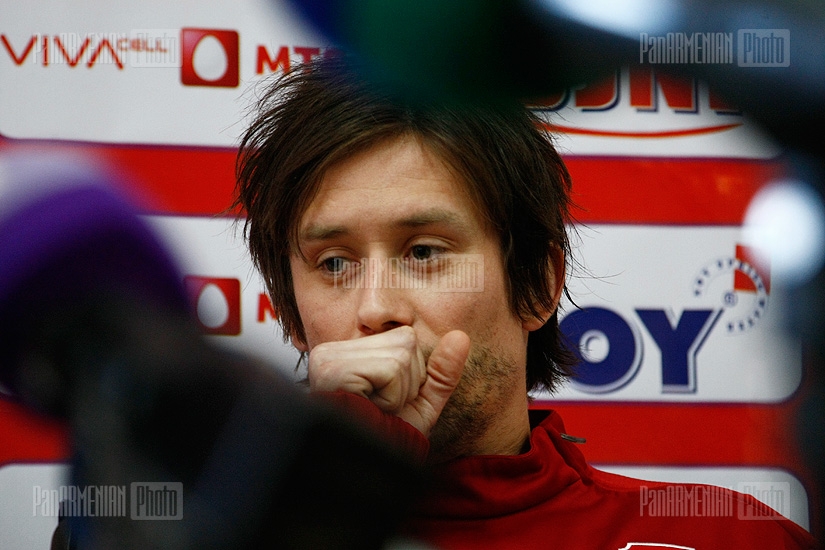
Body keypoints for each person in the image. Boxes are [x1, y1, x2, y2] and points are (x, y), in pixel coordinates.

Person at [234, 56, 816, 549]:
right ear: (290, 317)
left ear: (537, 285)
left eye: (425, 251)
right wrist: (328, 498)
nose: (377, 308)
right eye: (334, 263)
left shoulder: (728, 538)